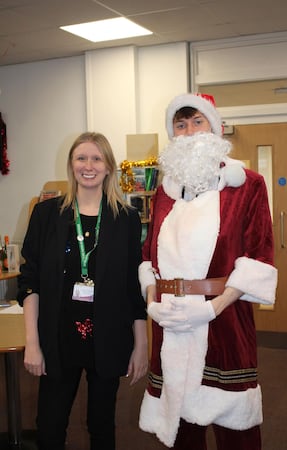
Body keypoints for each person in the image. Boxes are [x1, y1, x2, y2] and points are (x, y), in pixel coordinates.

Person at [138, 93, 278, 450]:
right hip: (169, 321)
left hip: (225, 322)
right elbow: (148, 253)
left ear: (214, 128)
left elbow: (259, 258)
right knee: (181, 427)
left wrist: (210, 309)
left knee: (236, 428)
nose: (188, 133)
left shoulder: (247, 185)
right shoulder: (165, 191)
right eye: (180, 125)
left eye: (197, 122)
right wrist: (152, 301)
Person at [17, 131, 148, 450]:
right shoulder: (47, 215)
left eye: (96, 158)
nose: (88, 166)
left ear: (108, 167)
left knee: (102, 424)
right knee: (49, 426)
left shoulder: (127, 219)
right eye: (81, 158)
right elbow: (29, 281)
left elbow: (134, 287)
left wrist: (141, 345)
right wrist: (32, 344)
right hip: (58, 338)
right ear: (71, 164)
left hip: (109, 337)